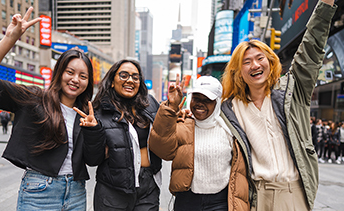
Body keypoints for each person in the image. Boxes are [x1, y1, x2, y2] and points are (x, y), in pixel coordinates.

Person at [0, 7, 94, 210]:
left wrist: (94, 129)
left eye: (83, 76)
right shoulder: (35, 97)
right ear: (59, 73)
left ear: (88, 82)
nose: (75, 80)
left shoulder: (87, 113)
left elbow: (93, 156)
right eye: (70, 72)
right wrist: (10, 39)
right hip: (40, 191)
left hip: (76, 192)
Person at [220, 0, 336, 210]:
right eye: (246, 62)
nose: (255, 65)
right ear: (238, 71)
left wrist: (325, 6)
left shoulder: (292, 89)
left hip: (293, 194)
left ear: (270, 61)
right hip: (256, 196)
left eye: (259, 58)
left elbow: (310, 48)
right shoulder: (229, 109)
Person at [148, 75, 250, 211]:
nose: (200, 103)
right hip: (187, 201)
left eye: (207, 100)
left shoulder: (230, 129)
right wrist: (171, 108)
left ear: (217, 102)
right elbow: (160, 149)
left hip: (220, 202)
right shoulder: (182, 124)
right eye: (196, 98)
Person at [74, 59, 162, 210]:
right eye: (124, 75)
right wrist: (93, 130)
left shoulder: (150, 104)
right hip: (113, 190)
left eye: (135, 77)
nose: (130, 80)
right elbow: (93, 160)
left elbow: (165, 131)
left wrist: (176, 114)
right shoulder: (99, 110)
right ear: (112, 81)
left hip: (147, 186)